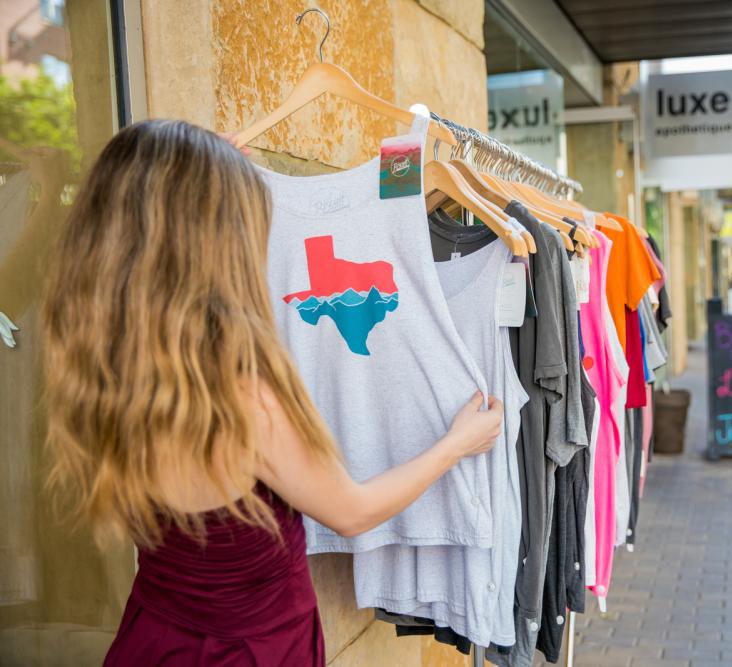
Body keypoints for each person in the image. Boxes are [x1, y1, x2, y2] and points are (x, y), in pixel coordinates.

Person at [40, 120, 504, 665]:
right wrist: (456, 445)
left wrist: (207, 171)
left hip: (155, 636)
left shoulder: (109, 368)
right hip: (249, 651)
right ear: (218, 242)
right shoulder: (243, 398)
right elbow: (351, 512)